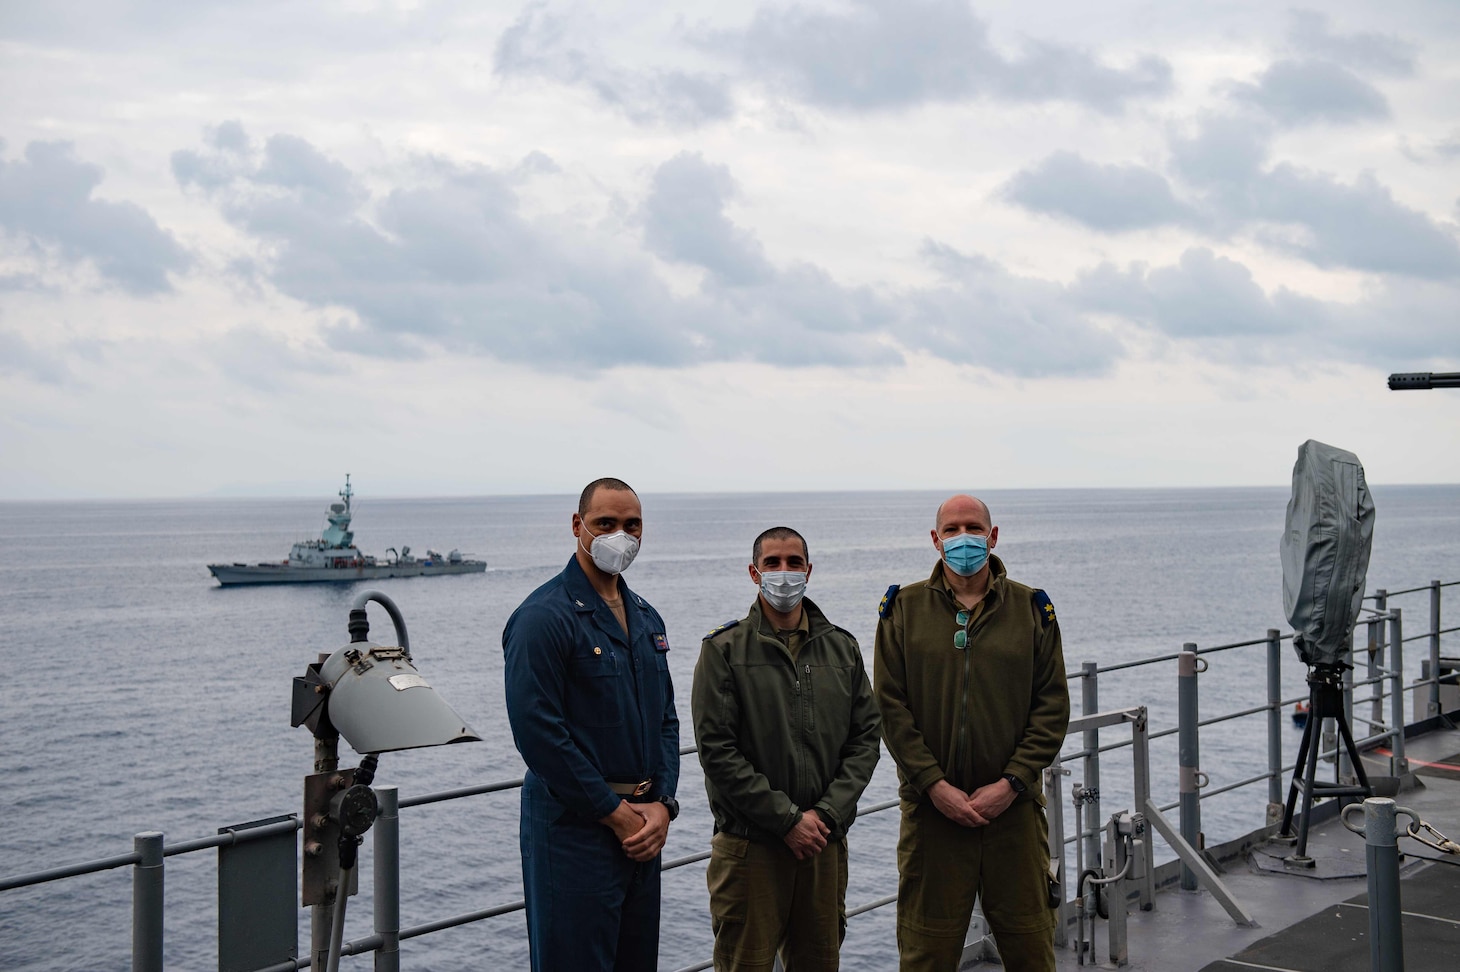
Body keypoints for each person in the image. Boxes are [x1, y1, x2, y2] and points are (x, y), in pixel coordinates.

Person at [874, 494, 1069, 972]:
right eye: (953, 528)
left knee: (1031, 949)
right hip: (932, 818)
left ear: (993, 536)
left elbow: (1052, 707)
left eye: (974, 527)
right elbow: (890, 708)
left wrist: (1011, 783)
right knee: (926, 955)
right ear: (936, 540)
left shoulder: (1031, 609)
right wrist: (935, 786)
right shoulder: (903, 610)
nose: (964, 538)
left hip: (1014, 816)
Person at [503, 478, 680, 972]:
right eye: (606, 523)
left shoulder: (647, 618)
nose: (619, 535)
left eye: (631, 525)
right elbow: (540, 735)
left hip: (643, 828)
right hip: (575, 834)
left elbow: (665, 720)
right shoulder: (543, 618)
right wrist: (616, 814)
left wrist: (662, 805)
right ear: (578, 526)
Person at [692, 526, 882, 972]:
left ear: (809, 570)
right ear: (753, 572)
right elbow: (717, 750)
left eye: (793, 563)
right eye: (772, 563)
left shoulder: (842, 648)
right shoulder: (723, 649)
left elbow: (865, 739)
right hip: (750, 850)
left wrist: (826, 815)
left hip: (822, 846)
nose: (783, 573)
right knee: (745, 963)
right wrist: (786, 820)